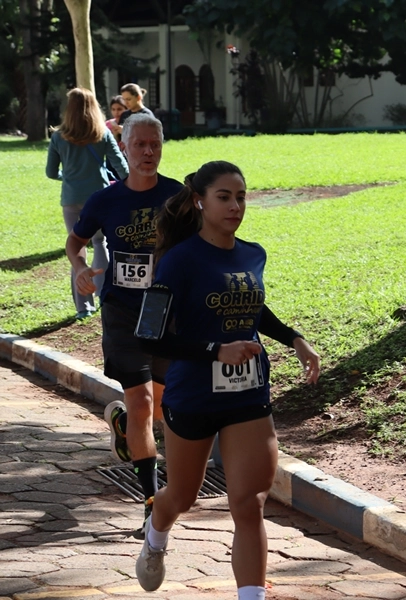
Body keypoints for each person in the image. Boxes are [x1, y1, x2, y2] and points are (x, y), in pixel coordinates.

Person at [133, 160, 321, 598]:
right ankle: (155, 534)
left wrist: (294, 339)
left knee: (249, 503)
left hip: (248, 393)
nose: (236, 206)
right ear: (199, 201)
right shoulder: (179, 261)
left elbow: (252, 307)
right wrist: (216, 351)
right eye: (224, 197)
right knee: (181, 496)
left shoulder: (252, 253)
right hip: (193, 396)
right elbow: (150, 337)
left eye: (241, 197)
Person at [65, 113, 182, 536]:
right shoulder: (105, 200)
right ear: (125, 149)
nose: (148, 152)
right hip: (121, 309)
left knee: (160, 405)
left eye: (155, 144)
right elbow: (75, 241)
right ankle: (152, 506)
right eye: (140, 145)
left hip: (162, 310)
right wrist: (79, 267)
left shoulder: (177, 196)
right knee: (142, 406)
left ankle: (123, 429)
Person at [47, 88, 128, 319]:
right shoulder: (102, 133)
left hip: (71, 199)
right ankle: (104, 296)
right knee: (101, 243)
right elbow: (121, 168)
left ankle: (84, 307)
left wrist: (69, 177)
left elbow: (51, 172)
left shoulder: (58, 137)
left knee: (77, 249)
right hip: (100, 198)